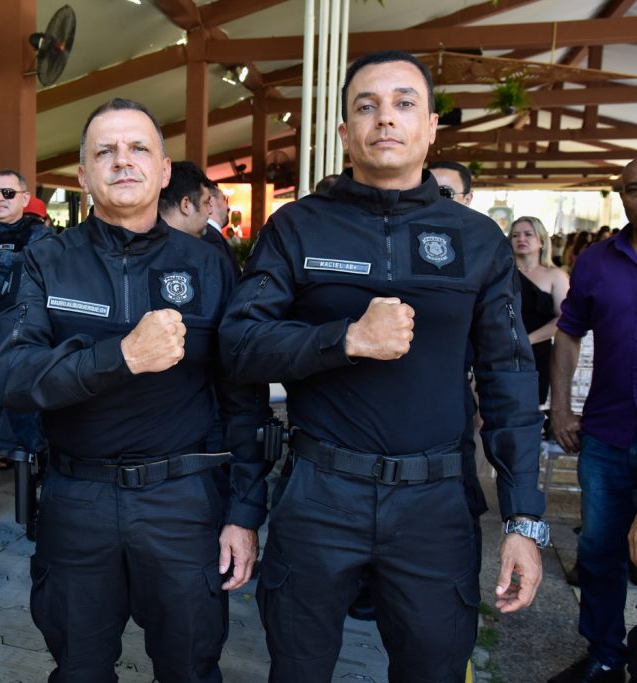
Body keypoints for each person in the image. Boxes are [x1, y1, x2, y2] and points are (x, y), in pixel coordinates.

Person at [219, 50, 547, 682]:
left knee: (433, 670)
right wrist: (343, 340)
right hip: (320, 492)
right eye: (365, 107)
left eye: (404, 104)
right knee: (298, 668)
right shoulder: (298, 228)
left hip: (436, 502)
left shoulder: (476, 241)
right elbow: (238, 346)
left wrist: (524, 519)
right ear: (345, 132)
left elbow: (509, 381)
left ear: (430, 129)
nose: (385, 119)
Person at [0, 98, 270, 682]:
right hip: (77, 499)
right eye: (105, 152)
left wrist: (244, 513)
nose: (123, 161)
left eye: (139, 148)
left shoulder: (209, 265)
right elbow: (14, 376)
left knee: (191, 667)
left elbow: (242, 398)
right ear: (83, 176)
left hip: (183, 504)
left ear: (165, 170)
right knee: (79, 667)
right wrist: (119, 357)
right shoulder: (48, 258)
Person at [550, 159, 637, 683]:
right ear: (621, 196)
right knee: (600, 550)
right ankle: (605, 654)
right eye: (631, 188)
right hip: (607, 433)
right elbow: (568, 332)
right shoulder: (597, 261)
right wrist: (560, 407)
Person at [0, 169, 53, 526]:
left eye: (7, 193)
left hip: (25, 349)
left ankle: (39, 502)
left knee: (32, 428)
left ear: (24, 197)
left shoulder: (44, 239)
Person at [509, 216, 569, 407]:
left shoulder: (555, 275)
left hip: (537, 350)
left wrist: (527, 341)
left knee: (530, 407)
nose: (521, 239)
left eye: (528, 234)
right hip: (501, 349)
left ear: (542, 240)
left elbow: (564, 318)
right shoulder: (500, 273)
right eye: (515, 235)